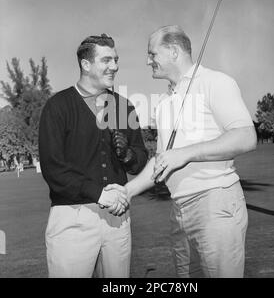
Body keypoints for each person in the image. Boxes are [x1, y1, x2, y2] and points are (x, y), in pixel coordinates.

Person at [107, 25, 257, 278]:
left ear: (174, 51)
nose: (147, 61)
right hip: (179, 210)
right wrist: (127, 191)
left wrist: (186, 153)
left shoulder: (215, 82)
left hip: (215, 204)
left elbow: (245, 136)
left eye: (152, 54)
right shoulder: (164, 103)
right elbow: (163, 160)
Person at [39, 34, 148, 278]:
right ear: (86, 65)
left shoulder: (122, 106)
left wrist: (128, 155)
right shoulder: (58, 106)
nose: (115, 66)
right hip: (73, 218)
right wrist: (100, 194)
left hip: (117, 217)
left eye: (116, 59)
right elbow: (53, 169)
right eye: (106, 60)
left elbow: (140, 159)